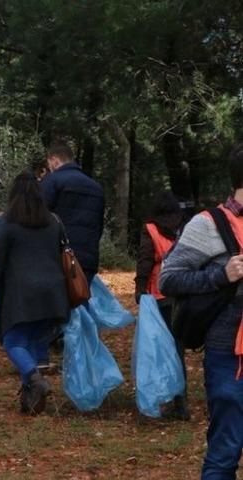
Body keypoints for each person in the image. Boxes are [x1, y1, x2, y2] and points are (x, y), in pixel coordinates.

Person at [160, 144, 243, 479]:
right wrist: (220, 276)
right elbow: (169, 279)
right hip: (228, 353)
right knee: (225, 449)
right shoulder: (207, 225)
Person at [0, 171, 68, 415]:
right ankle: (31, 400)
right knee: (36, 342)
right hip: (53, 293)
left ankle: (35, 380)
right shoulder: (54, 221)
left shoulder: (6, 223)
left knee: (14, 342)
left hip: (21, 294)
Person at [134, 191, 189, 419]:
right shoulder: (183, 230)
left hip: (158, 295)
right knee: (177, 347)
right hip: (181, 293)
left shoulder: (151, 230)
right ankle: (180, 400)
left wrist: (140, 288)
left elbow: (145, 260)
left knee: (157, 348)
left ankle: (159, 394)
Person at [39, 140, 105, 283]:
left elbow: (38, 216)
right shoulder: (96, 188)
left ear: (54, 160)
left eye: (49, 164)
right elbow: (99, 226)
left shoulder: (52, 182)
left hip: (56, 257)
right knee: (77, 301)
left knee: (53, 303)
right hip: (87, 259)